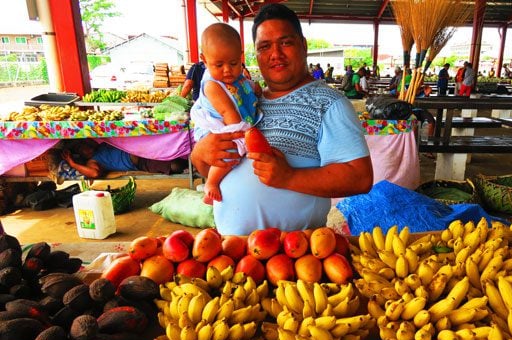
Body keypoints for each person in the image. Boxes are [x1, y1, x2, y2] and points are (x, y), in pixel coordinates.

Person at [189, 3, 373, 235]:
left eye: (285, 43)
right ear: (254, 54)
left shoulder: (329, 103)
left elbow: (360, 177)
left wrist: (290, 177)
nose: (275, 54)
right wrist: (200, 155)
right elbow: (213, 169)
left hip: (294, 256)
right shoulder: (246, 100)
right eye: (265, 46)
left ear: (303, 45)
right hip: (231, 251)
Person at [190, 23, 261, 204]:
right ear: (204, 60)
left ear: (240, 56)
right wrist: (243, 137)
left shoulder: (237, 76)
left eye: (233, 63)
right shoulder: (213, 85)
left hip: (232, 124)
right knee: (231, 153)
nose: (227, 70)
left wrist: (255, 90)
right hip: (222, 128)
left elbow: (244, 87)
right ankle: (211, 183)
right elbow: (228, 113)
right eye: (219, 64)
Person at [61, 141, 186, 179]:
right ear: (81, 154)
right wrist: (72, 163)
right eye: (82, 149)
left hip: (145, 147)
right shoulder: (92, 161)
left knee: (175, 148)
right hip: (142, 161)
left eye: (85, 145)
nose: (86, 147)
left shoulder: (102, 144)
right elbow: (94, 173)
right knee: (176, 165)